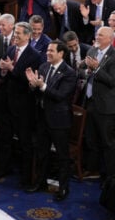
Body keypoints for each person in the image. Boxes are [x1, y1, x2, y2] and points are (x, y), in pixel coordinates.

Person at [0, 22, 43, 185]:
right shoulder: (11, 49)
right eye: (15, 33)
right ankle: (2, 169)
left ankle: (26, 178)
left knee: (25, 142)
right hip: (6, 101)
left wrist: (11, 69)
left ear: (28, 35)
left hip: (23, 105)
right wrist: (3, 70)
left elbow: (29, 80)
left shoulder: (35, 55)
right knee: (4, 138)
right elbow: (2, 71)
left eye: (19, 34)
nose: (16, 36)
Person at [25, 40, 77, 201]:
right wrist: (33, 85)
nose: (47, 53)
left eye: (51, 51)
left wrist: (42, 86)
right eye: (47, 50)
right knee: (42, 153)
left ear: (61, 53)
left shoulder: (69, 73)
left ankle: (63, 188)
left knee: (62, 156)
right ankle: (41, 183)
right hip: (41, 117)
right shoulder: (43, 67)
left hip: (59, 120)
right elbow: (36, 93)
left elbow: (60, 96)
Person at [83, 27, 115, 190]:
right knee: (91, 139)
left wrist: (97, 68)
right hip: (90, 102)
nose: (97, 37)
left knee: (107, 143)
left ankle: (109, 178)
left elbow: (112, 81)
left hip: (106, 107)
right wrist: (87, 70)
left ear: (110, 39)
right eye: (97, 34)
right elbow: (84, 72)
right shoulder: (92, 50)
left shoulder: (114, 56)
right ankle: (94, 169)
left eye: (101, 35)